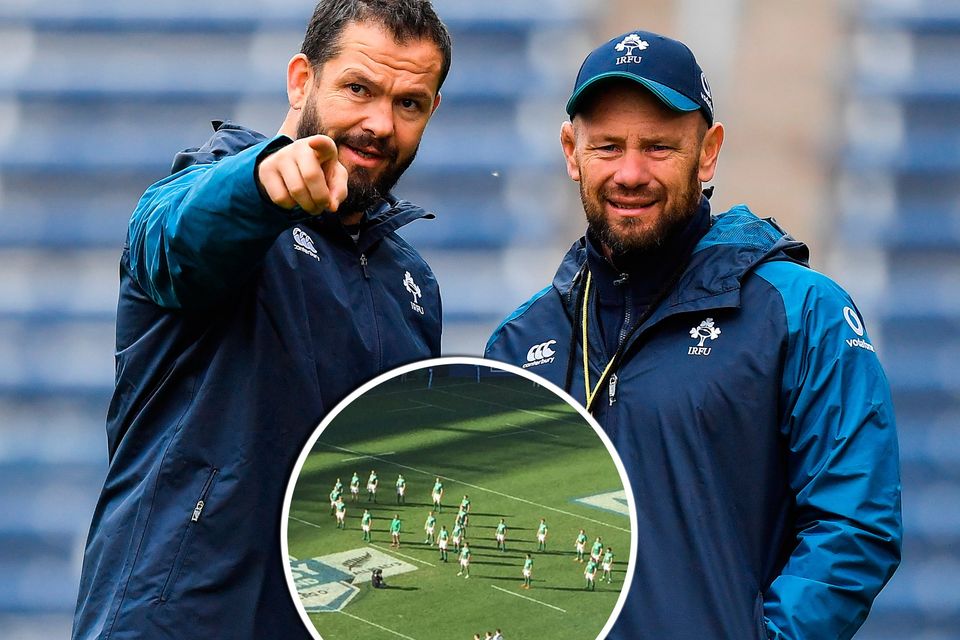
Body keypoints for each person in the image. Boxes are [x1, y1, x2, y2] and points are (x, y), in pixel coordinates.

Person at [484, 29, 901, 640]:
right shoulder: (522, 341)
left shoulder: (800, 312)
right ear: (571, 151)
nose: (630, 173)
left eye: (658, 147)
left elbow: (855, 524)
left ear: (708, 152)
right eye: (607, 147)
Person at [72, 2, 452, 639]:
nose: (379, 123)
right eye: (358, 89)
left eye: (409, 104)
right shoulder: (210, 186)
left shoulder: (413, 285)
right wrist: (258, 186)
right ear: (302, 80)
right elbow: (175, 244)